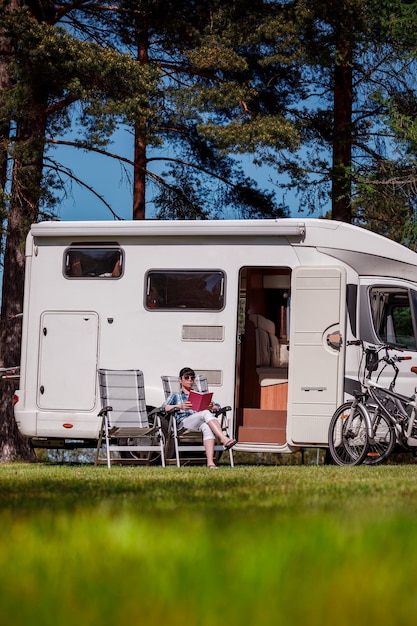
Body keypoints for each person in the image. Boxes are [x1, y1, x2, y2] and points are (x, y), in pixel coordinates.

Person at [162, 367, 237, 468]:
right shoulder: (175, 396)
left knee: (206, 427)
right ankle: (224, 438)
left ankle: (210, 463)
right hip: (184, 424)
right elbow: (163, 408)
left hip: (199, 421)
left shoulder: (199, 395)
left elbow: (217, 407)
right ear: (180, 380)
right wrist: (180, 406)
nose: (190, 380)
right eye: (186, 377)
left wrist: (212, 407)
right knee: (205, 413)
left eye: (192, 378)